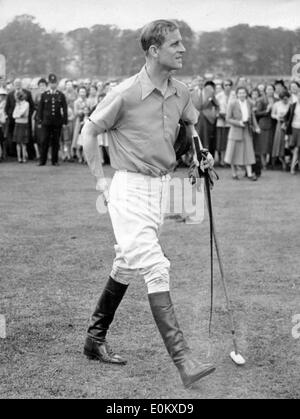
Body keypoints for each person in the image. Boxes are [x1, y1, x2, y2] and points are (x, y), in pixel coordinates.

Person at [81, 19, 215, 389]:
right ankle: (184, 360)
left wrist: (199, 152)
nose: (182, 49)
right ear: (154, 51)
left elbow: (190, 124)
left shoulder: (181, 91)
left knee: (126, 262)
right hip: (128, 189)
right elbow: (89, 132)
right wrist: (100, 181)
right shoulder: (124, 93)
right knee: (156, 266)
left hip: (160, 190)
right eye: (174, 44)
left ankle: (94, 339)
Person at [224, 86, 260, 180]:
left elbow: (252, 116)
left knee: (248, 152)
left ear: (246, 94)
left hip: (247, 130)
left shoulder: (249, 103)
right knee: (233, 152)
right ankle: (234, 174)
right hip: (235, 131)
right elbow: (227, 118)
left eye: (243, 93)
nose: (242, 95)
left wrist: (256, 127)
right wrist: (239, 123)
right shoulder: (232, 103)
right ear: (237, 94)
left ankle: (249, 174)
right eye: (240, 93)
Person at [37, 74, 68, 166]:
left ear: (57, 84)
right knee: (44, 141)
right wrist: (40, 120)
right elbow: (40, 109)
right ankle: (43, 160)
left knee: (55, 141)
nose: (53, 85)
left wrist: (64, 121)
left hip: (57, 122)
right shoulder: (44, 95)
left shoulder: (61, 95)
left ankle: (55, 160)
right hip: (46, 122)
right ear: (49, 84)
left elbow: (64, 109)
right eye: (51, 83)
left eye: (54, 83)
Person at [4, 78, 34, 155]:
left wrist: (27, 115)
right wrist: (11, 115)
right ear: (14, 85)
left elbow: (32, 106)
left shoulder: (27, 93)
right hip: (13, 120)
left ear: (21, 84)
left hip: (25, 120)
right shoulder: (10, 94)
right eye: (16, 83)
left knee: (26, 137)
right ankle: (14, 154)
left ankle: (29, 154)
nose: (17, 85)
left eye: (19, 83)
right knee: (14, 137)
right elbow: (7, 107)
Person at [193, 80, 219, 159]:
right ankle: (197, 157)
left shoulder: (210, 92)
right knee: (197, 138)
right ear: (197, 83)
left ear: (204, 83)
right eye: (199, 81)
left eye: (201, 81)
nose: (200, 83)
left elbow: (217, 105)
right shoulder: (191, 93)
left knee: (206, 139)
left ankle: (207, 157)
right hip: (196, 119)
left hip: (207, 119)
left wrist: (215, 114)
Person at [255, 84, 276, 169]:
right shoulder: (261, 100)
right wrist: (266, 111)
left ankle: (272, 163)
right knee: (263, 145)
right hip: (264, 124)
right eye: (268, 89)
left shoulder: (276, 99)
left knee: (272, 145)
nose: (270, 91)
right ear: (265, 91)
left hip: (274, 124)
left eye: (271, 89)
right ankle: (264, 164)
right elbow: (257, 113)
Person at [216, 79, 234, 166]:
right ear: (223, 86)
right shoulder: (219, 96)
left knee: (229, 141)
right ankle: (221, 160)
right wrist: (220, 115)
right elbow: (215, 109)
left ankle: (229, 160)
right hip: (221, 121)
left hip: (231, 122)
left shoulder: (235, 95)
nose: (228, 86)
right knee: (221, 142)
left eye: (229, 85)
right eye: (226, 85)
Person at [271, 90, 290, 170]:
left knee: (287, 143)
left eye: (286, 99)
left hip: (288, 125)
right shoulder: (276, 104)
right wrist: (277, 117)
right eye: (283, 99)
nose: (285, 101)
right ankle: (279, 161)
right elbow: (272, 114)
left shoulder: (291, 104)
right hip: (279, 125)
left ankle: (287, 161)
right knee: (279, 143)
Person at [284, 88, 300, 174]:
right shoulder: (293, 105)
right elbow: (287, 117)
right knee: (295, 148)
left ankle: (292, 168)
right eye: (299, 95)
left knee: (297, 149)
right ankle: (293, 167)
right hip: (294, 129)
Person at [33, 78, 48, 161]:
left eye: (43, 85)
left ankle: (45, 155)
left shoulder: (48, 94)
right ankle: (39, 154)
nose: (42, 87)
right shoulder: (37, 96)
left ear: (46, 86)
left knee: (45, 138)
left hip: (47, 119)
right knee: (38, 137)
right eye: (40, 85)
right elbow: (35, 107)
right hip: (38, 118)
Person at [12, 91, 29, 163]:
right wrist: (18, 115)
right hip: (17, 123)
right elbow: (14, 115)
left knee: (23, 142)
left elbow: (23, 113)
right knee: (18, 142)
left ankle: (24, 157)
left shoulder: (26, 104)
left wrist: (18, 115)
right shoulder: (17, 104)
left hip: (24, 123)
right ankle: (19, 158)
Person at [0, 87, 7, 161]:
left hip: (3, 123)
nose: (1, 96)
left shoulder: (4, 103)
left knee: (3, 140)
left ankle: (3, 154)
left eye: (2, 95)